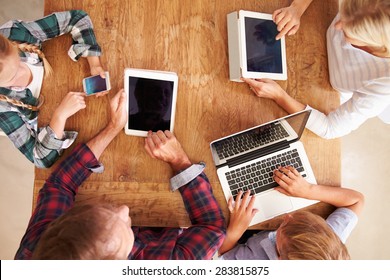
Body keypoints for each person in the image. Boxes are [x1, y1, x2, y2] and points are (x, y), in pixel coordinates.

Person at [14, 90, 225, 259]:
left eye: (101, 212)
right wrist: (180, 161)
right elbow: (212, 228)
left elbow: (59, 185)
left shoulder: (39, 251)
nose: (125, 209)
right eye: (125, 228)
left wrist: (112, 128)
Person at [243, 0, 390, 139]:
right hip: (318, 30)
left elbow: (330, 128)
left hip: (332, 87)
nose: (337, 26)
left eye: (348, 30)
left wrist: (279, 96)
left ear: (376, 45)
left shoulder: (384, 86)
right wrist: (297, 8)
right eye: (344, 13)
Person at [0, 10, 107, 168]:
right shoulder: (3, 108)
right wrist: (59, 116)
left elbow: (78, 19)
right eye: (11, 79)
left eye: (18, 62)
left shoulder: (15, 33)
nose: (21, 74)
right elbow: (40, 159)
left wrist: (94, 64)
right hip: (57, 124)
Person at [218, 165, 364, 260]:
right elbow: (356, 201)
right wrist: (308, 190)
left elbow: (223, 258)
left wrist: (234, 231)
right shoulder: (328, 243)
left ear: (280, 258)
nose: (287, 216)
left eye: (283, 227)